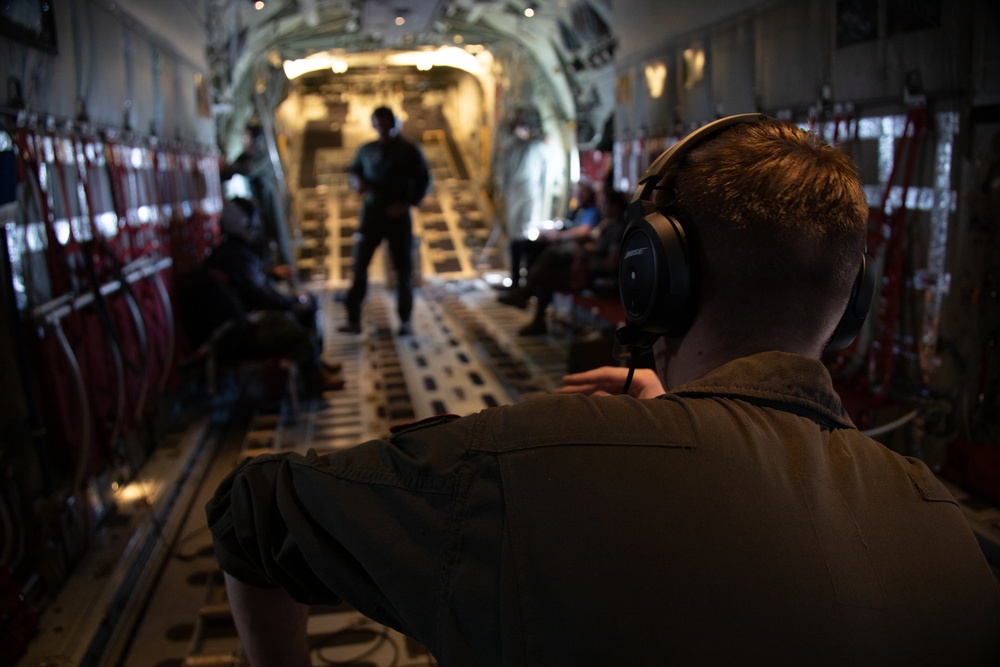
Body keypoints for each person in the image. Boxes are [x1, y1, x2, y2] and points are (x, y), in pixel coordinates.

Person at [206, 118, 1000, 665]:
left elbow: (251, 514)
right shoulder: (953, 536)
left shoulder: (525, 466)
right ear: (851, 299)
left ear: (652, 277)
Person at [202, 198, 344, 395]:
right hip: (238, 334)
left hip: (237, 325)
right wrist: (293, 301)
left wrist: (270, 274)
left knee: (302, 308)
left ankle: (314, 363)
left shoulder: (230, 253)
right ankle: (313, 380)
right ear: (243, 225)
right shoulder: (236, 256)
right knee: (296, 324)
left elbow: (250, 283)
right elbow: (260, 297)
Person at [338, 106, 431, 336]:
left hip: (398, 216)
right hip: (372, 215)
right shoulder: (367, 150)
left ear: (395, 124)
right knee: (359, 267)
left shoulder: (409, 150)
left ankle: (405, 319)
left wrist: (407, 203)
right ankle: (353, 319)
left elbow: (424, 180)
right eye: (379, 125)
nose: (383, 129)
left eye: (387, 124)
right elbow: (354, 172)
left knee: (403, 270)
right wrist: (355, 182)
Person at [499, 189, 628, 336]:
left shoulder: (618, 229)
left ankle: (526, 297)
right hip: (587, 270)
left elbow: (610, 264)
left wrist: (585, 255)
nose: (602, 206)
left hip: (599, 279)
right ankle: (530, 303)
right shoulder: (607, 224)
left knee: (549, 268)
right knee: (548, 259)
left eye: (605, 203)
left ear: (615, 206)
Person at [221, 123, 294, 267]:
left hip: (270, 198)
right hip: (258, 201)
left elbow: (249, 170)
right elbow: (231, 170)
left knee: (279, 233)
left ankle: (288, 268)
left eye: (246, 137)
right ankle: (267, 268)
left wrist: (230, 168)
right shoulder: (246, 156)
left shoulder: (263, 155)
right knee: (262, 235)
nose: (244, 141)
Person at [508, 181, 600, 284]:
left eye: (582, 192)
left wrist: (559, 236)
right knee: (518, 245)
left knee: (544, 254)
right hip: (556, 240)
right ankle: (516, 284)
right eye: (576, 192)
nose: (578, 195)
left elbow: (583, 231)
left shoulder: (591, 211)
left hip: (568, 245)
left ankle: (526, 289)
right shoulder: (575, 210)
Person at [494, 109, 549, 277]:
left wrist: (501, 193)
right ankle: (526, 276)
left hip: (514, 194)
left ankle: (517, 278)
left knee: (516, 235)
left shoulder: (508, 147)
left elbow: (500, 175)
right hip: (529, 193)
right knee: (525, 232)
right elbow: (545, 172)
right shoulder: (536, 146)